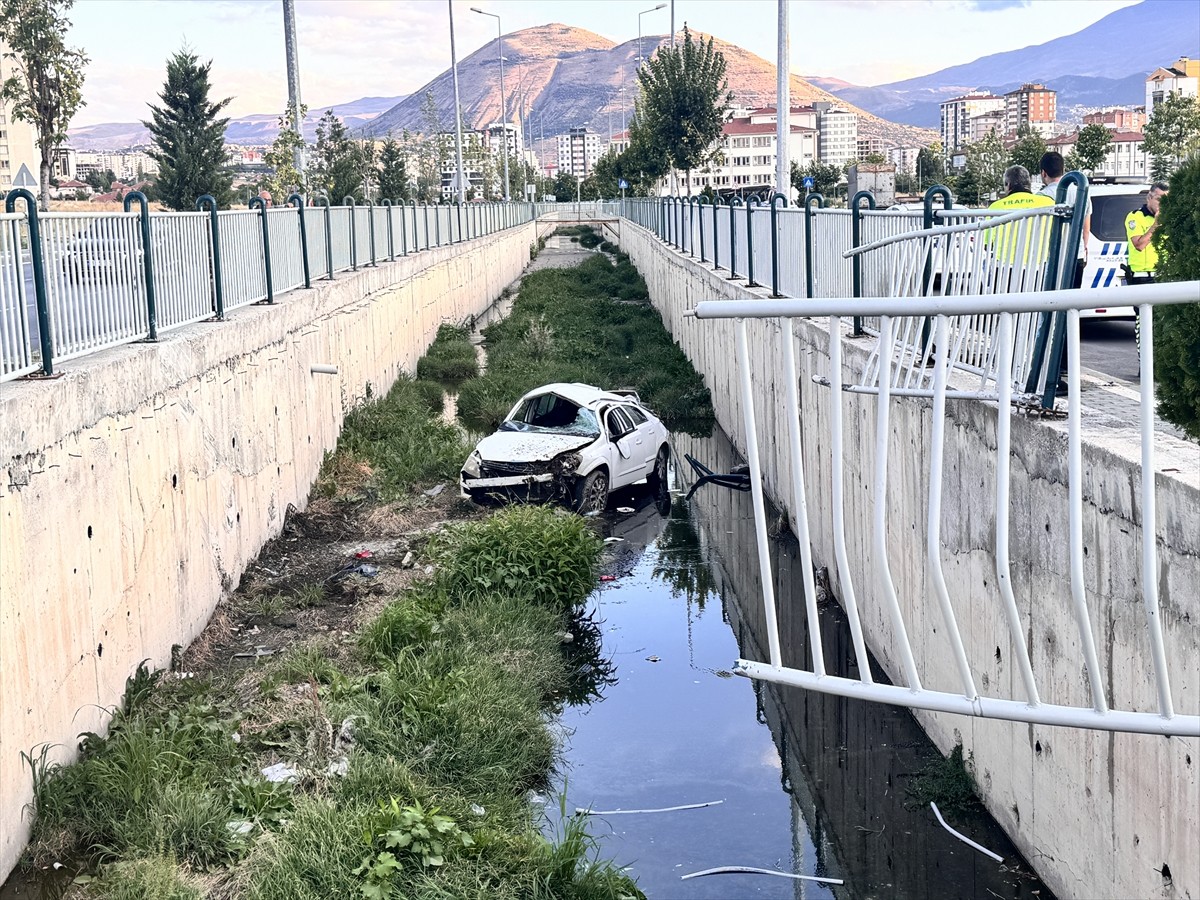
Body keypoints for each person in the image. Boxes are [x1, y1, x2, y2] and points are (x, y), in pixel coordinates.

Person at [1038, 151, 1091, 289]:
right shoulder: (1082, 193)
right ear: (1064, 170)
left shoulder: (1041, 196)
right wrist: (1084, 250)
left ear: (1044, 173)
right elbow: (1086, 228)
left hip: (1050, 256)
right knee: (1071, 301)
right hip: (1075, 254)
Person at [1124, 182, 1168, 286]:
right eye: (1159, 199)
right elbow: (1139, 245)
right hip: (1142, 277)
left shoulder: (1169, 218)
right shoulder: (1136, 216)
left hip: (1165, 274)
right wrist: (1156, 224)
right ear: (1149, 198)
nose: (1162, 203)